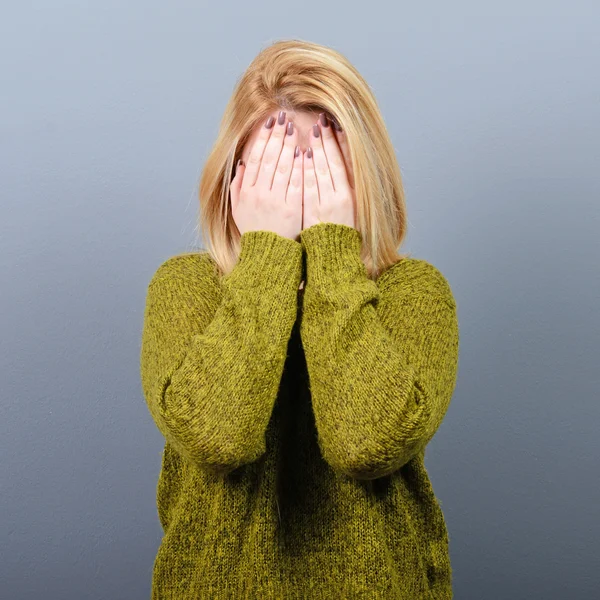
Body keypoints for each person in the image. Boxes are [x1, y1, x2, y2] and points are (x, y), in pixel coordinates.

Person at [140, 38, 460, 599]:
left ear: (364, 175)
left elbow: (366, 444)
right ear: (236, 178)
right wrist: (266, 253)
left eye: (325, 171)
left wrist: (333, 251)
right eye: (277, 170)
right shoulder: (185, 289)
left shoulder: (416, 295)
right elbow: (218, 438)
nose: (301, 191)